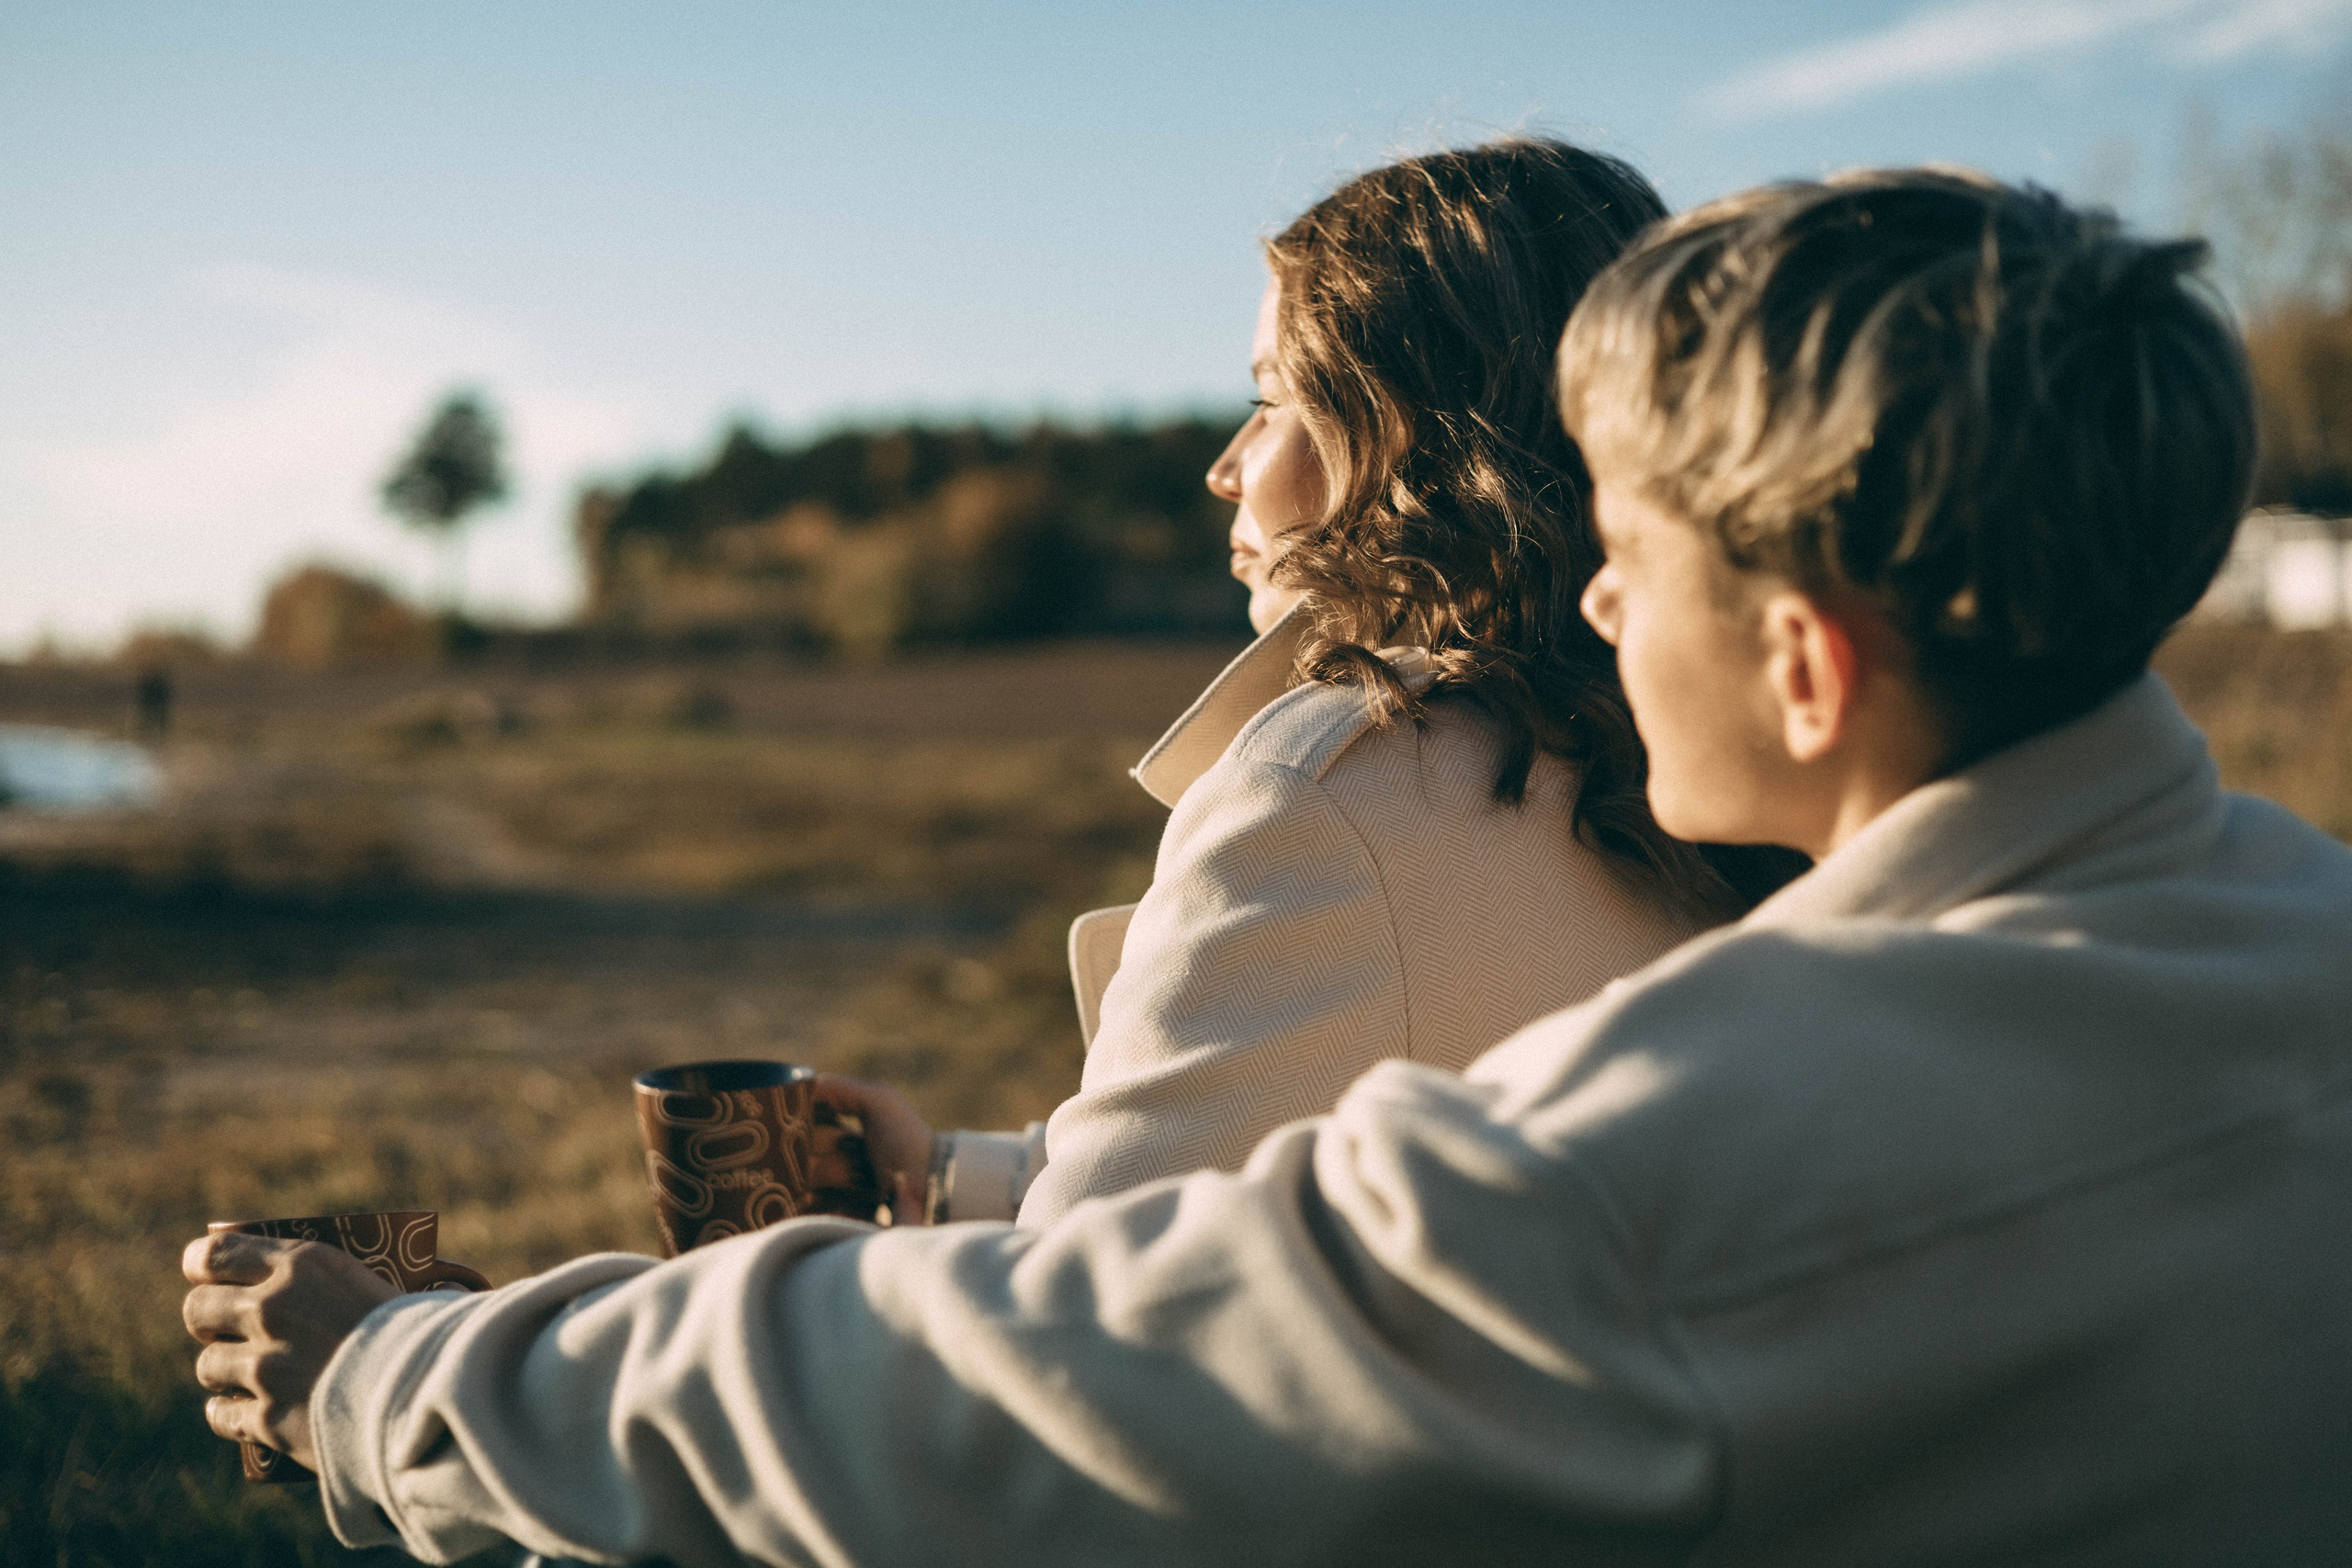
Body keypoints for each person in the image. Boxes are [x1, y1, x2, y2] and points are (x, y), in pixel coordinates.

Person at [184, 169, 2352, 1564]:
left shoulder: (1675, 1156)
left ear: (1800, 655)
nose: (1591, 608)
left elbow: (1010, 1401)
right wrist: (980, 1177)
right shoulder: (2293, 937)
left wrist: (397, 1372)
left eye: (1639, 564)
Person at [816, 139, 1789, 1229]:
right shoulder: (1725, 756)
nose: (1225, 466)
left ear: (1413, 437)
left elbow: (1081, 1294)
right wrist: (955, 1177)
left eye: (1275, 399)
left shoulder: (1327, 795)